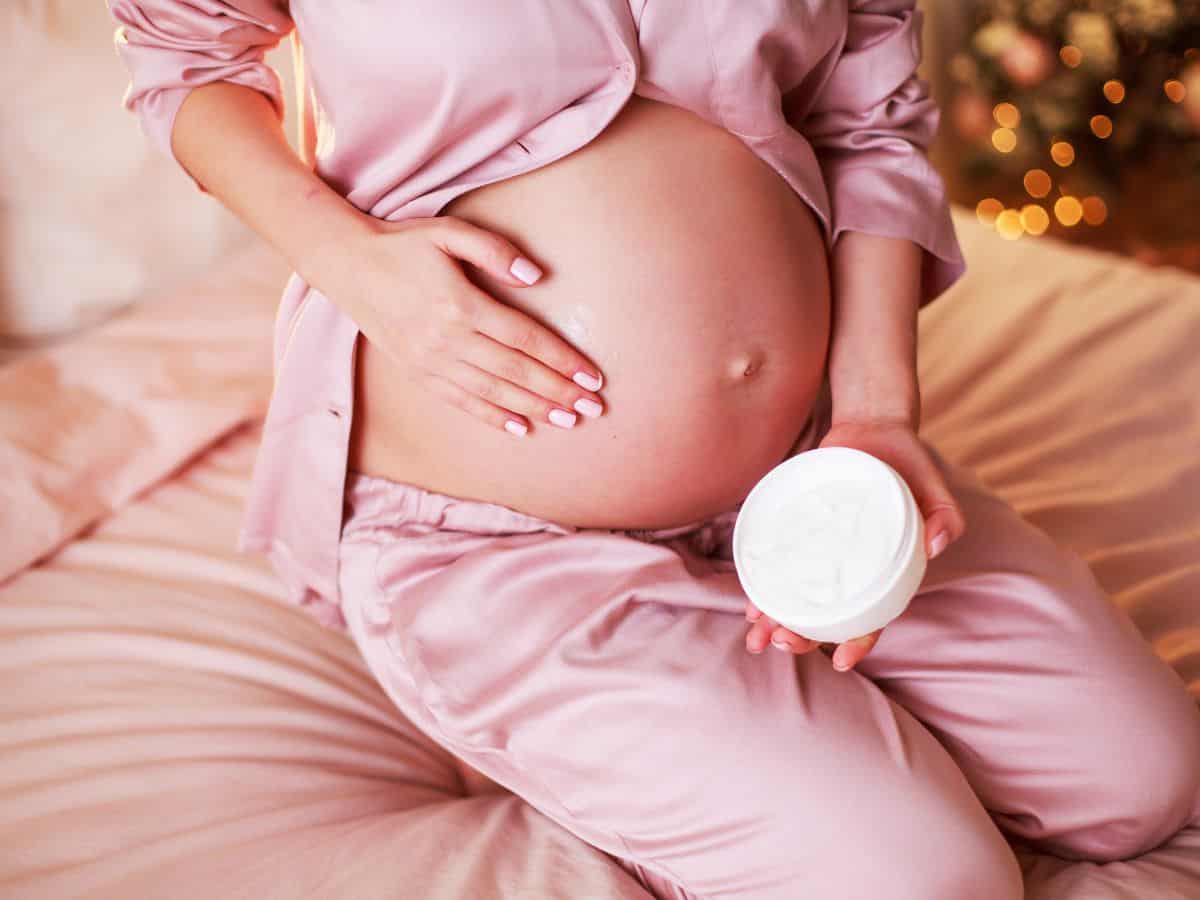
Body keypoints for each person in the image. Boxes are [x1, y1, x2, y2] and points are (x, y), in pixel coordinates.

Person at [108, 2, 1200, 897]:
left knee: (1141, 782)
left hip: (808, 478)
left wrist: (875, 418)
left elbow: (867, 122)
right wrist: (354, 261)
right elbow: (186, 57)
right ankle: (546, 700)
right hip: (498, 542)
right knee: (921, 884)